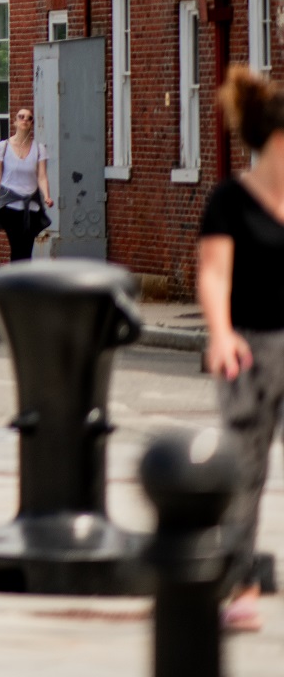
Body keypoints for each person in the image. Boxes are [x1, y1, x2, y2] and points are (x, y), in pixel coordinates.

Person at [203, 66, 284, 632]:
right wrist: (221, 333)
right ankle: (240, 584)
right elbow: (214, 276)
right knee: (246, 469)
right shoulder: (229, 200)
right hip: (248, 350)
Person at [0, 106, 52, 264]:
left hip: (31, 208)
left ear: (32, 124)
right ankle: (19, 284)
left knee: (27, 248)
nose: (25, 120)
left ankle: (21, 284)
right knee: (17, 247)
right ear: (15, 122)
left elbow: (42, 176)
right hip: (10, 208)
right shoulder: (3, 147)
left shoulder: (39, 149)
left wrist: (47, 196)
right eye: (21, 117)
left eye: (29, 118)